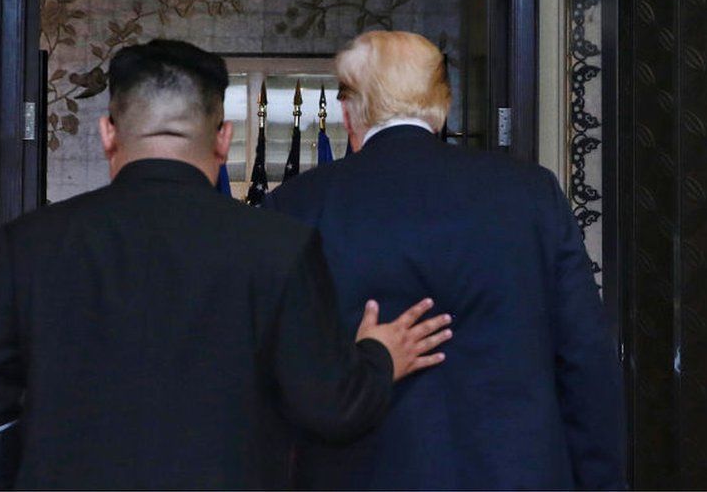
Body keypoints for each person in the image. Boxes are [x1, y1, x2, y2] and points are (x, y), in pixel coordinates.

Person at [0, 39, 454, 489]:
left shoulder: (32, 244)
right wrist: (378, 356)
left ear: (107, 133)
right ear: (224, 138)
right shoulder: (279, 246)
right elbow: (328, 407)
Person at [264, 31, 625, 490]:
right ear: (443, 106)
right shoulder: (530, 195)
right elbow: (586, 362)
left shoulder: (296, 207)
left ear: (349, 111)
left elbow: (282, 383)